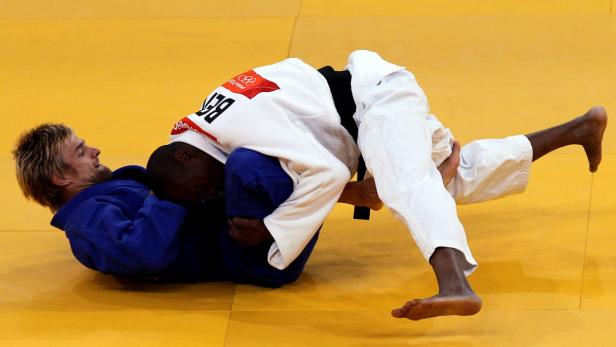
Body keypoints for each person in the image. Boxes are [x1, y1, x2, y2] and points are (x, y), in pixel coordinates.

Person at [146, 50, 608, 320]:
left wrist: (274, 229)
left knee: (407, 184)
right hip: (368, 108)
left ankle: (455, 285)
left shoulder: (237, 128)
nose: (213, 196)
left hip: (375, 101)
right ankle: (578, 129)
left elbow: (326, 172)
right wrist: (362, 192)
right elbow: (316, 165)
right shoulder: (202, 129)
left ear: (186, 155)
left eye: (203, 191)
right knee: (452, 180)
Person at [14, 123, 448, 285]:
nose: (95, 151)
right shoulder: (87, 221)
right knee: (245, 161)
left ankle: (364, 181)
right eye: (82, 150)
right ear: (60, 177)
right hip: (253, 256)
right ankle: (354, 184)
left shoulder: (114, 190)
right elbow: (141, 252)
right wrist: (170, 191)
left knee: (244, 142)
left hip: (249, 235)